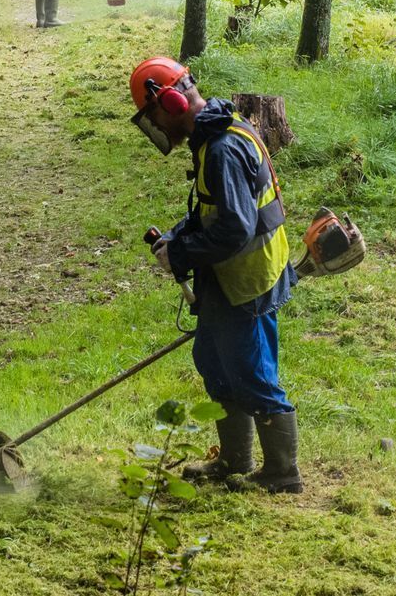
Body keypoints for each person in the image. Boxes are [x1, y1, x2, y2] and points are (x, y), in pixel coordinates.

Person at [129, 56, 301, 493]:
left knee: (250, 373)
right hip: (232, 275)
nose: (158, 128)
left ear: (169, 101)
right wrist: (177, 236)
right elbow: (213, 212)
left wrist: (183, 252)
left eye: (154, 117)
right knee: (213, 361)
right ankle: (235, 460)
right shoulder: (215, 133)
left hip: (245, 277)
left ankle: (282, 473)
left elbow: (235, 228)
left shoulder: (221, 148)